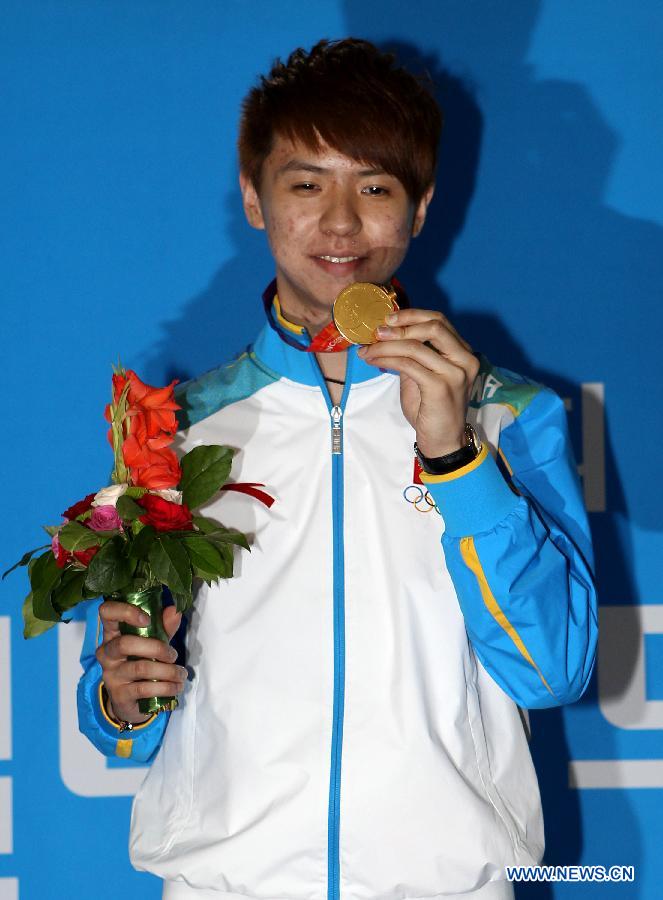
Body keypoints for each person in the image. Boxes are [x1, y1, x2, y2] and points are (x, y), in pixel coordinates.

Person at [77, 37, 598, 900]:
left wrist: (454, 455)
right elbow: (124, 707)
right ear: (254, 197)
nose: (342, 224)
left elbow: (553, 670)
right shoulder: (176, 428)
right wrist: (121, 700)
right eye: (306, 183)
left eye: (376, 187)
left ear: (421, 208)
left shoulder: (508, 414)